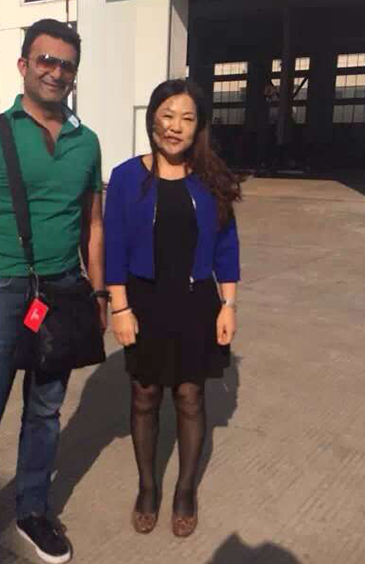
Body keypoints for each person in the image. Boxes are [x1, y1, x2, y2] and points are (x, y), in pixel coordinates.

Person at [0, 19, 107, 564]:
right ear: (24, 65)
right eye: (46, 60)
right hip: (2, 290)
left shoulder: (87, 142)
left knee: (45, 412)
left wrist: (98, 294)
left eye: (66, 65)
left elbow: (93, 225)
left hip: (64, 291)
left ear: (75, 75)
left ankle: (33, 512)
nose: (55, 72)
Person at [103, 79, 241, 538]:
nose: (175, 127)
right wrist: (119, 307)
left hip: (196, 301)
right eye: (167, 115)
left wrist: (228, 305)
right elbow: (114, 246)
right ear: (152, 119)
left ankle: (184, 491)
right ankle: (148, 488)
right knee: (144, 394)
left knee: (190, 396)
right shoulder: (127, 177)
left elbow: (227, 246)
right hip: (144, 300)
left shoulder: (211, 179)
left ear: (199, 126)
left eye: (186, 118)